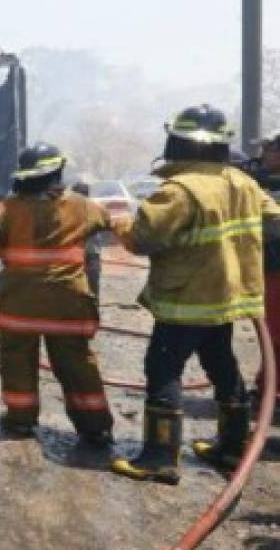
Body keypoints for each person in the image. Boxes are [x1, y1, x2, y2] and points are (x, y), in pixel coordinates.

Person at [112, 105, 280, 484]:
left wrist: (121, 224)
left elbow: (142, 240)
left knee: (164, 368)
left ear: (178, 142)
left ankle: (159, 456)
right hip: (227, 298)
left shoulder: (179, 189)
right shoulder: (244, 184)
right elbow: (274, 222)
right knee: (222, 365)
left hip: (185, 300)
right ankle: (233, 446)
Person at [0, 143, 116, 444]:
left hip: (19, 308)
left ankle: (20, 420)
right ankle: (94, 427)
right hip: (67, 307)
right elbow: (111, 223)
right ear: (57, 172)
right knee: (77, 365)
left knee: (17, 362)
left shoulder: (7, 210)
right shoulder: (82, 206)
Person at [233, 133, 280, 422]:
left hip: (277, 270)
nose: (262, 155)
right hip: (269, 268)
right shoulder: (260, 180)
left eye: (269, 149)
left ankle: (271, 393)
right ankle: (268, 388)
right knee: (272, 336)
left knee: (275, 336)